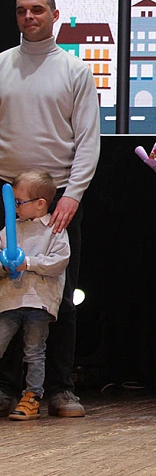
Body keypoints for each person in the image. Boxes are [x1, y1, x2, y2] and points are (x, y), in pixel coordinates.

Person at [0, 0, 100, 418]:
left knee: (56, 295)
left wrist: (72, 194)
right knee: (6, 294)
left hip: (57, 198)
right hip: (6, 195)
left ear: (54, 15)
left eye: (37, 9)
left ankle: (60, 388)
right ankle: (6, 389)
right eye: (22, 10)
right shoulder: (2, 65)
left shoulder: (75, 71)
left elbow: (88, 138)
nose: (29, 16)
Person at [0, 171, 70, 420]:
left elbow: (59, 262)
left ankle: (32, 396)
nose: (15, 208)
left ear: (40, 203)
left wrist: (27, 263)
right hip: (10, 300)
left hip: (38, 302)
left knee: (34, 351)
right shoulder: (7, 231)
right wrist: (5, 265)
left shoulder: (54, 230)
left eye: (19, 202)